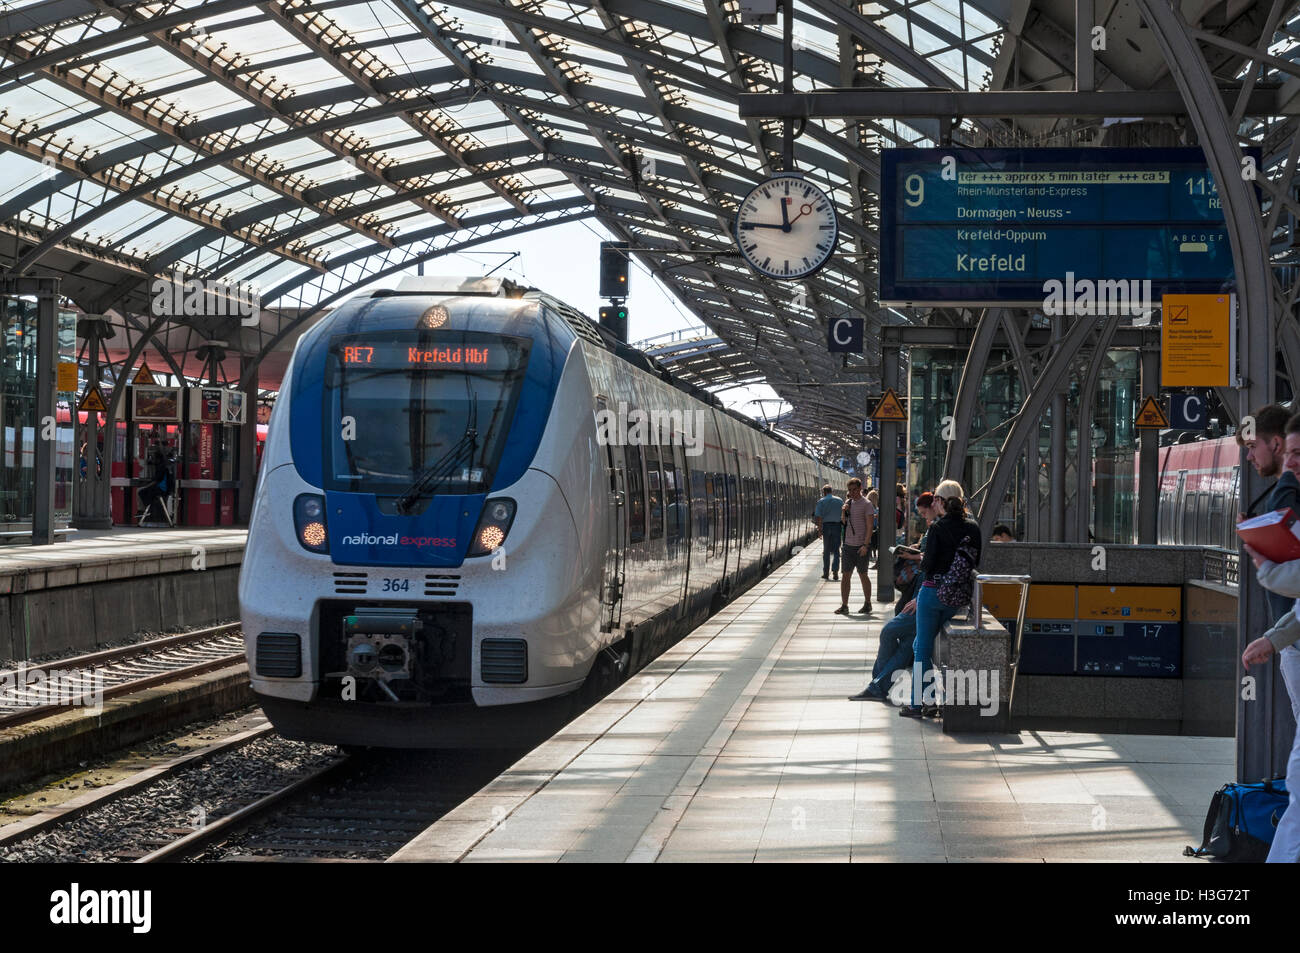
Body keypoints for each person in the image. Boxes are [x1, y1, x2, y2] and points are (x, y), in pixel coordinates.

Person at [1238, 411, 1300, 862]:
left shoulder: (1288, 493)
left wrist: (1271, 570)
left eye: (1298, 453)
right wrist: (1275, 638)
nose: (1293, 463)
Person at [848, 492, 942, 702]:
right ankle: (878, 686)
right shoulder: (938, 526)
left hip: (927, 595)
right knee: (908, 643)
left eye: (937, 501)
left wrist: (913, 556)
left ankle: (877, 685)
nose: (925, 513)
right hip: (925, 592)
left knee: (889, 632)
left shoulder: (942, 528)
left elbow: (935, 563)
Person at [900, 479, 982, 718]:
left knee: (922, 649)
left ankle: (918, 704)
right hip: (957, 597)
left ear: (939, 501)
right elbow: (975, 562)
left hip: (932, 593)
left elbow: (927, 565)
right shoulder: (973, 528)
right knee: (918, 646)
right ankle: (930, 699)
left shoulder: (937, 528)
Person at [1239, 403, 1300, 622]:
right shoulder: (1281, 490)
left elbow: (1283, 514)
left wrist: (1286, 473)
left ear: (1276, 444)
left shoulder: (1288, 489)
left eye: (1253, 446)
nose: (1249, 456)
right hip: (1289, 629)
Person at [835, 477, 875, 615]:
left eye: (855, 490)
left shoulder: (867, 504)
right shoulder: (848, 503)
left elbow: (870, 526)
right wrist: (843, 510)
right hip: (848, 545)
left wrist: (866, 545)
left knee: (863, 574)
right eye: (850, 490)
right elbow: (843, 522)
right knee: (846, 575)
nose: (852, 493)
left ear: (861, 489)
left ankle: (868, 603)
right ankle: (844, 605)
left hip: (861, 546)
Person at [812, 484, 845, 581]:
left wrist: (819, 530)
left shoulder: (821, 501)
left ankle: (826, 573)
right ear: (832, 491)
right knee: (836, 550)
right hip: (837, 526)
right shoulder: (839, 500)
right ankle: (835, 571)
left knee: (826, 550)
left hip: (826, 526)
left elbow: (819, 517)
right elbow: (842, 514)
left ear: (824, 492)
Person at [866, 488, 880, 567]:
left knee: (872, 541)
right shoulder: (870, 505)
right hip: (871, 525)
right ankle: (871, 555)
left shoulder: (871, 504)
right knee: (871, 541)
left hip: (872, 525)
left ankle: (872, 555)